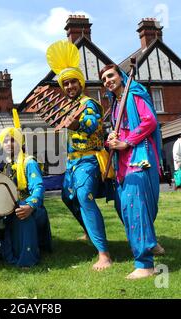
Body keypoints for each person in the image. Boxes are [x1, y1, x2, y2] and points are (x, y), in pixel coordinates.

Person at [45, 40, 114, 271]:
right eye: (66, 83)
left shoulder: (89, 104)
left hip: (90, 159)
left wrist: (77, 125)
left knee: (85, 198)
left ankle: (104, 254)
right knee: (68, 197)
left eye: (73, 81)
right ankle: (88, 231)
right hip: (72, 162)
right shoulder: (66, 107)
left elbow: (94, 124)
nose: (70, 86)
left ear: (80, 82)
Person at [100, 64, 163, 279]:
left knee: (135, 207)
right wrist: (113, 139)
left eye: (111, 75)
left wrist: (126, 142)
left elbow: (149, 121)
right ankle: (150, 242)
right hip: (124, 163)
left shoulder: (133, 94)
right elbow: (123, 128)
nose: (108, 80)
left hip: (140, 158)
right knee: (126, 206)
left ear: (121, 76)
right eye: (104, 79)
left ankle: (145, 264)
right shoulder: (116, 104)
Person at [0, 127, 52, 267]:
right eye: (6, 141)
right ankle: (3, 251)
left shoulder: (29, 162)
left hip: (32, 210)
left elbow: (38, 188)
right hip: (11, 209)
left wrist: (30, 206)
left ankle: (26, 260)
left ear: (20, 142)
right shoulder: (6, 167)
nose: (9, 144)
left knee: (21, 214)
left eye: (13, 140)